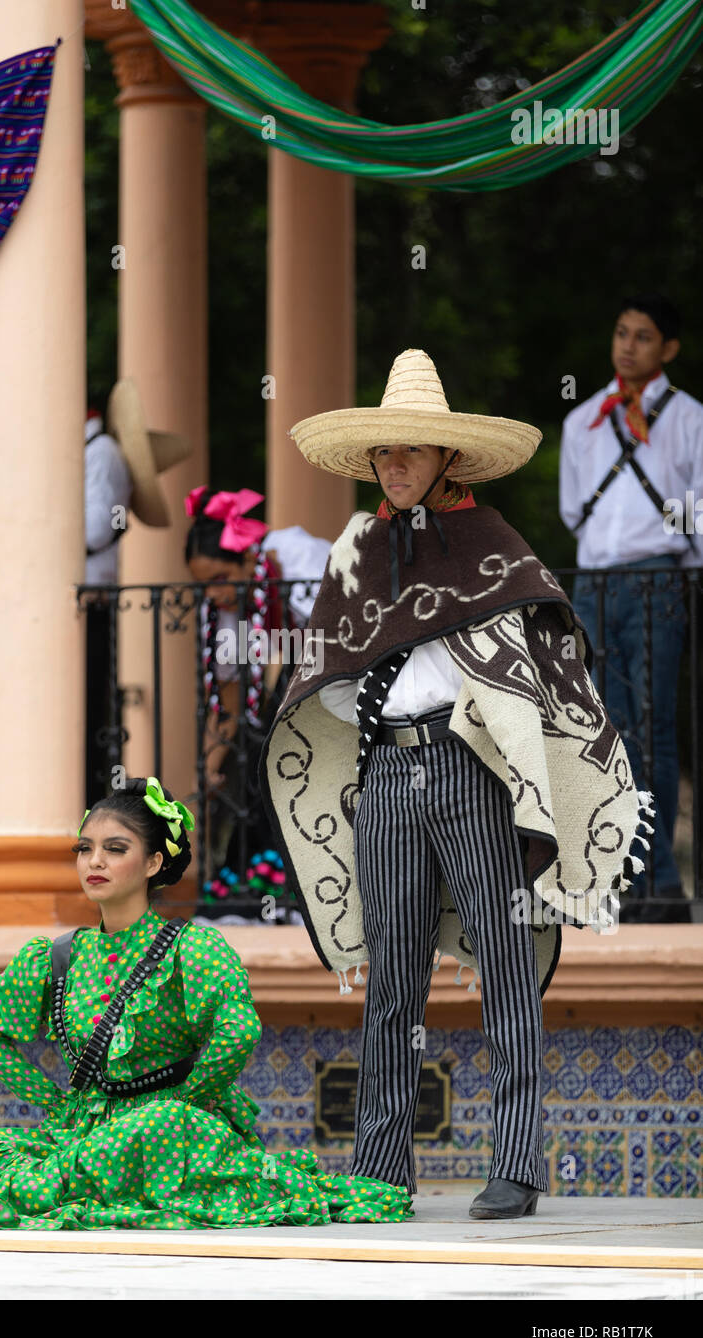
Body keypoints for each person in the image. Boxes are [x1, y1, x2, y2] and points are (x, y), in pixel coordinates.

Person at [260, 349, 654, 1219]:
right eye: (384, 453)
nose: (394, 465)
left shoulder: (493, 548)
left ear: (448, 459)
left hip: (473, 769)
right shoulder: (355, 549)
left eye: (411, 451)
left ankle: (515, 1161)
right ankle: (379, 1168)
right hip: (385, 768)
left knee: (506, 958)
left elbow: (544, 668)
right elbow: (325, 671)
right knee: (392, 970)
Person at [0, 778, 410, 1229]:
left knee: (147, 1125)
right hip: (86, 1130)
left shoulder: (192, 946)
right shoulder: (56, 956)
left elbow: (238, 1031)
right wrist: (59, 1105)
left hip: (176, 1128)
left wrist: (186, 1100)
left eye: (115, 849)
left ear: (154, 863)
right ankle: (69, 1173)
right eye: (85, 849)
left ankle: (81, 1171)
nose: (95, 862)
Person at [559, 293, 702, 923]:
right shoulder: (584, 418)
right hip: (593, 583)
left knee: (650, 727)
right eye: (621, 333)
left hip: (657, 580)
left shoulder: (689, 418)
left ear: (667, 348)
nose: (628, 345)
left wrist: (665, 544)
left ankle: (657, 877)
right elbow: (572, 510)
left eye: (643, 336)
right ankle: (626, 872)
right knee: (602, 728)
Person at [184, 487, 331, 905]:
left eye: (218, 580)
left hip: (330, 693)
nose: (211, 594)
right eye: (202, 585)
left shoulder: (296, 555)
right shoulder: (222, 612)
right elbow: (229, 700)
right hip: (276, 716)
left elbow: (344, 632)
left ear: (248, 559)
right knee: (258, 768)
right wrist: (208, 769)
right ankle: (261, 890)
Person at [84, 380, 191, 806]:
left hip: (92, 603)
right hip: (87, 603)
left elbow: (94, 530)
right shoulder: (96, 454)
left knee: (91, 712)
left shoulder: (101, 455)